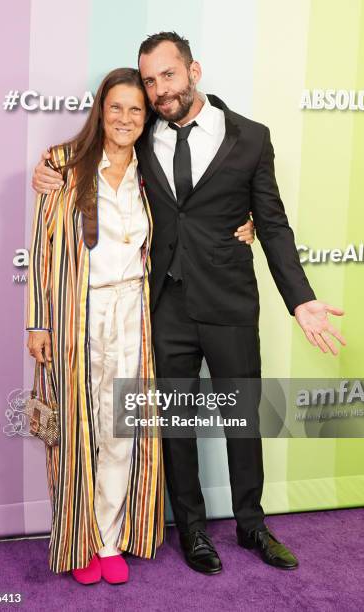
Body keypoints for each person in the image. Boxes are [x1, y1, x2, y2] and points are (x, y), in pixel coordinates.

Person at [31, 32, 346, 576]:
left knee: (243, 419)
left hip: (228, 303)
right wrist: (51, 168)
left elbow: (270, 223)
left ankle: (252, 524)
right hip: (163, 309)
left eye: (167, 76)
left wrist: (301, 300)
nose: (157, 91)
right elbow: (94, 153)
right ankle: (194, 531)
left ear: (193, 71)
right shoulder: (140, 129)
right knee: (175, 426)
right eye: (149, 81)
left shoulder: (250, 138)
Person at [26, 65, 255, 584]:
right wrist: (37, 324)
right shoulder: (64, 165)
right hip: (74, 319)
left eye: (136, 109)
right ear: (100, 112)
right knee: (77, 433)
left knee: (122, 432)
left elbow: (200, 210)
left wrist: (249, 223)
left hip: (136, 317)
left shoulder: (152, 173)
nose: (126, 118)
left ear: (146, 115)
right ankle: (78, 540)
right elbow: (43, 251)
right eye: (116, 108)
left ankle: (109, 541)